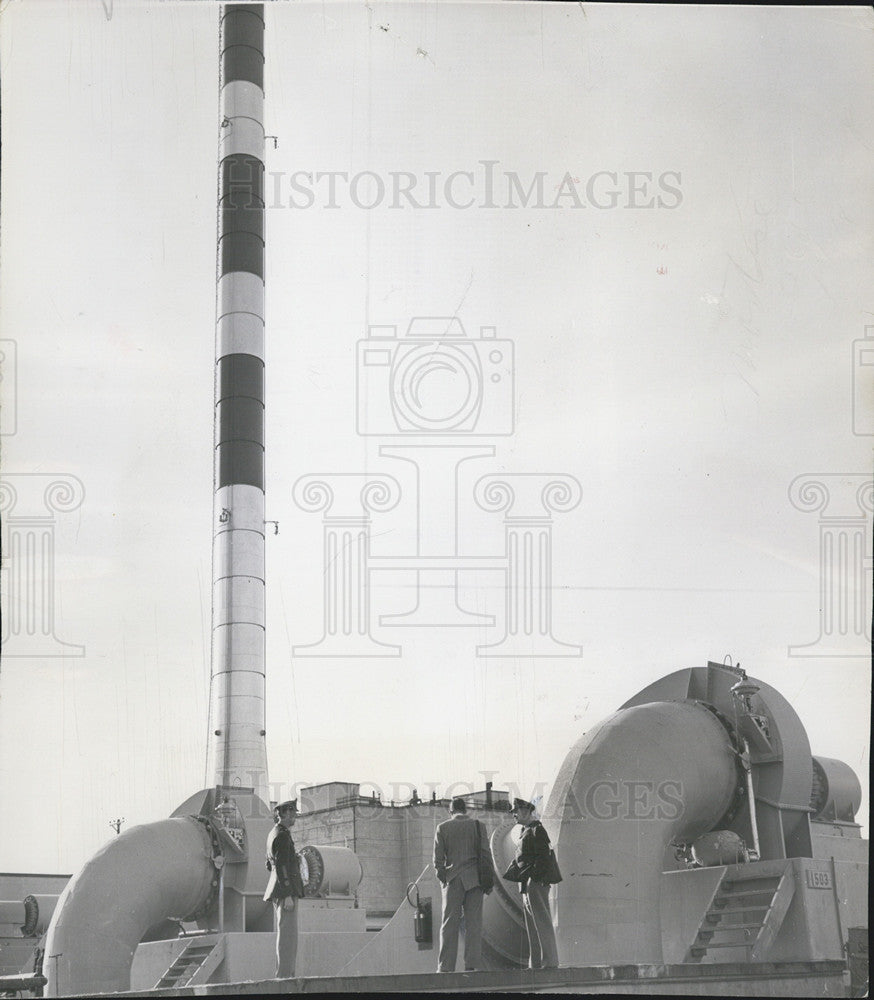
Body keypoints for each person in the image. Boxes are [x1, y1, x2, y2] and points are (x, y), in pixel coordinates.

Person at [433, 796, 491, 972]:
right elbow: (486, 855)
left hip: (453, 880)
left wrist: (444, 879)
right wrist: (488, 882)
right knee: (474, 925)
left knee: (449, 924)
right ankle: (472, 966)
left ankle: (445, 967)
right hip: (474, 881)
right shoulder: (479, 826)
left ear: (450, 811)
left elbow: (438, 861)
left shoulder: (443, 827)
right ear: (465, 810)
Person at [510, 797, 559, 969]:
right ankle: (537, 963)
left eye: (516, 810)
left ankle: (549, 962)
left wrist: (533, 878)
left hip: (534, 883)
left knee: (542, 923)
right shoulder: (526, 830)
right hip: (526, 884)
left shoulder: (537, 829)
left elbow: (544, 858)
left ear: (526, 811)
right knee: (533, 926)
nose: (514, 814)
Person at [263, 799, 305, 978]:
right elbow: (280, 866)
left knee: (286, 935)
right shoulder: (282, 835)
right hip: (285, 892)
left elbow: (269, 864)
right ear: (285, 813)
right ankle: (285, 978)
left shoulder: (274, 833)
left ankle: (284, 975)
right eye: (293, 812)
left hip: (278, 890)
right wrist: (288, 893)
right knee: (288, 937)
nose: (295, 816)